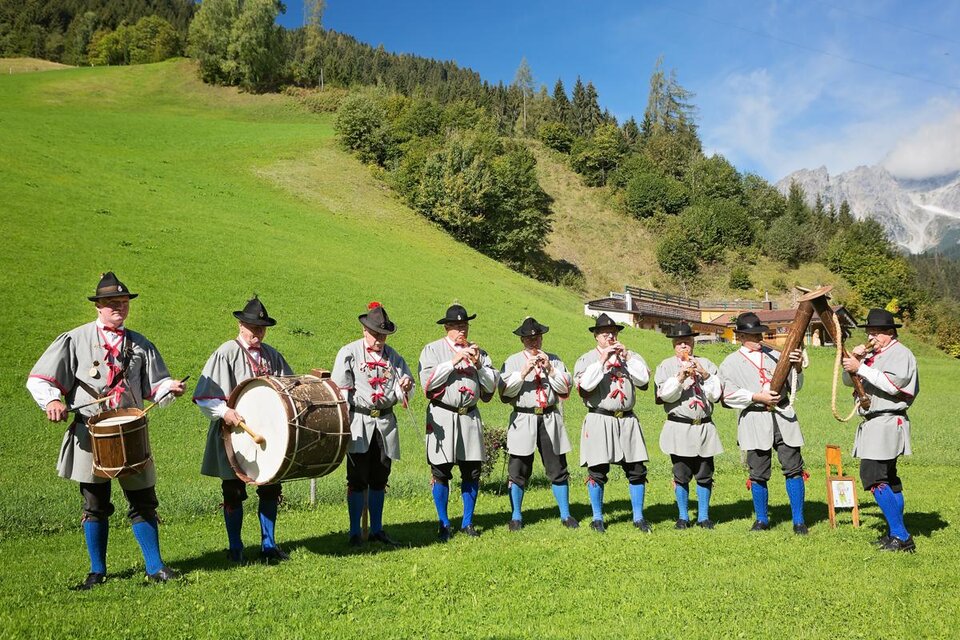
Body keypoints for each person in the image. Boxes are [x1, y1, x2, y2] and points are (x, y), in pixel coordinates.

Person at [27, 272, 186, 589]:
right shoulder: (74, 340)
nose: (119, 308)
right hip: (90, 434)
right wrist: (53, 402)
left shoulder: (140, 344)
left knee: (144, 500)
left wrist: (170, 388)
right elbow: (40, 380)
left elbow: (155, 389)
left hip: (130, 432)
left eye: (124, 303)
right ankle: (97, 572)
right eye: (112, 303)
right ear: (98, 306)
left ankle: (155, 568)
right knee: (95, 504)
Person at [194, 296, 294, 563]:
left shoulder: (273, 355)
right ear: (240, 325)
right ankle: (235, 548)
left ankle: (268, 545)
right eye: (253, 327)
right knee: (233, 491)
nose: (257, 333)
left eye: (261, 328)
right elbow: (205, 396)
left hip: (268, 437)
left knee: (270, 487)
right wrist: (224, 412)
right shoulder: (226, 352)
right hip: (233, 435)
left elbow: (288, 390)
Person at [332, 302, 415, 547]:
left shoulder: (395, 358)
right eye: (376, 334)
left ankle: (377, 529)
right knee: (357, 478)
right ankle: (354, 532)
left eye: (384, 335)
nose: (380, 339)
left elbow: (405, 391)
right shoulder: (348, 353)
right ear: (364, 330)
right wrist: (343, 425)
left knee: (380, 476)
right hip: (359, 422)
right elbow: (341, 392)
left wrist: (405, 388)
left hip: (385, 424)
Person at [719, 312, 808, 534]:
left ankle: (799, 521)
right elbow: (726, 395)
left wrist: (796, 367)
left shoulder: (778, 354)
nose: (758, 338)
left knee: (793, 467)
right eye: (752, 335)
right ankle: (761, 520)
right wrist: (756, 397)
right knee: (758, 471)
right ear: (739, 336)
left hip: (783, 416)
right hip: (754, 417)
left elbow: (797, 384)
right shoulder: (730, 363)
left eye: (759, 333)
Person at [418, 304, 499, 541]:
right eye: (456, 326)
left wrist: (479, 365)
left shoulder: (480, 353)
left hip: (470, 416)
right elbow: (428, 383)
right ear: (447, 327)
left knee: (472, 470)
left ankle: (467, 522)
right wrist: (453, 361)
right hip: (443, 414)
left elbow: (491, 386)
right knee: (441, 470)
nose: (461, 330)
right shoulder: (432, 350)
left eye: (464, 325)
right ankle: (444, 523)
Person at [842, 308, 919, 552]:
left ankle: (901, 536)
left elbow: (893, 385)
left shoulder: (901, 354)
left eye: (876, 333)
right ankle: (894, 531)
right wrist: (856, 362)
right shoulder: (873, 355)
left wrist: (861, 367)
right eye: (870, 332)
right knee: (889, 479)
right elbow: (848, 381)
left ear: (890, 333)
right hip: (874, 422)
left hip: (887, 420)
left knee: (874, 476)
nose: (871, 337)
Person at [573, 313, 652, 534]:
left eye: (614, 332)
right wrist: (602, 361)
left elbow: (644, 380)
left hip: (626, 418)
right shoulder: (587, 359)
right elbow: (585, 386)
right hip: (600, 417)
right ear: (596, 336)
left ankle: (638, 517)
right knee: (597, 468)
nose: (610, 336)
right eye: (605, 333)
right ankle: (597, 518)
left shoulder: (631, 356)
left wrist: (626, 357)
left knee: (636, 469)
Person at [499, 317, 577, 531]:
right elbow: (505, 392)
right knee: (518, 469)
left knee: (558, 467)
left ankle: (565, 514)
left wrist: (550, 370)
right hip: (524, 417)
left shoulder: (556, 360)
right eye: (529, 339)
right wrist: (524, 372)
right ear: (522, 339)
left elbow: (564, 390)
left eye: (537, 337)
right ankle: (516, 516)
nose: (534, 342)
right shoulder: (512, 361)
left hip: (549, 417)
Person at [654, 322, 723, 529]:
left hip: (703, 426)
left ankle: (703, 517)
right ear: (674, 345)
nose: (684, 346)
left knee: (704, 473)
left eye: (687, 342)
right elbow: (664, 395)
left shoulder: (707, 363)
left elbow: (716, 394)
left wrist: (705, 375)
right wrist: (680, 377)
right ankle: (683, 516)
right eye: (680, 343)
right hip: (679, 426)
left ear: (693, 343)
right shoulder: (666, 366)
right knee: (681, 473)